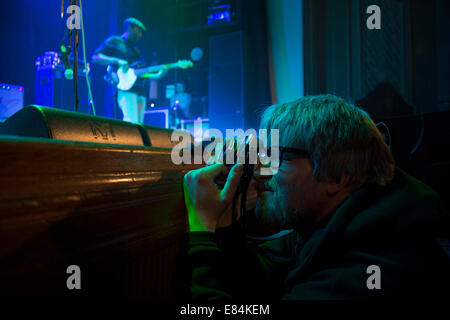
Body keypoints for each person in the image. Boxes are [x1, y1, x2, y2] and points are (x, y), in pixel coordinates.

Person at [176, 94, 449, 300]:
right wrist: (227, 226)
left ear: (337, 175)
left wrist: (202, 230)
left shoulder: (359, 276)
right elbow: (262, 289)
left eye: (275, 156)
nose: (260, 171)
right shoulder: (344, 223)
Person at [92, 17, 167, 124]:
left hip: (140, 91)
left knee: (138, 127)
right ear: (130, 27)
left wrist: (158, 75)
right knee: (132, 124)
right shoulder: (115, 41)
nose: (140, 34)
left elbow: (139, 75)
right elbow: (95, 57)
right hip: (126, 90)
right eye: (138, 30)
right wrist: (117, 61)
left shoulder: (136, 51)